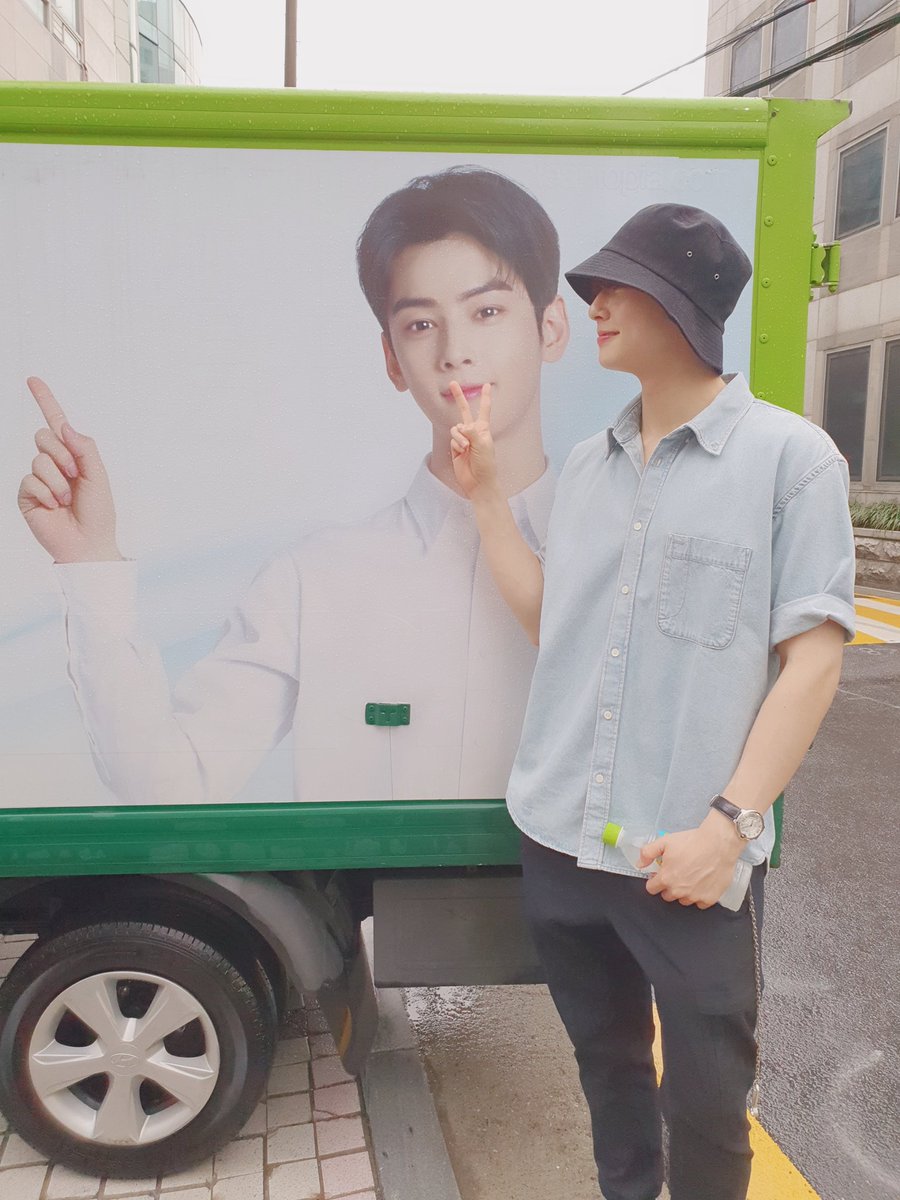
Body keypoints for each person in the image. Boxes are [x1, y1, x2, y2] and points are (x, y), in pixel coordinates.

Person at [449, 203, 856, 1200]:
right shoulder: (589, 466)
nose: (594, 304)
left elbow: (813, 662)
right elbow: (552, 622)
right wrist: (487, 497)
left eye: (616, 287)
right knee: (609, 1071)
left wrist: (730, 827)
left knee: (710, 1105)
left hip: (688, 857)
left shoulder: (791, 460)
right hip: (562, 839)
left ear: (681, 303)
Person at [16, 166, 569, 805]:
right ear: (391, 359)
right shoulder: (316, 581)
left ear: (551, 327)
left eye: (487, 311)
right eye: (421, 324)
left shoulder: (621, 556)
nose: (455, 351)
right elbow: (165, 785)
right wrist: (89, 564)